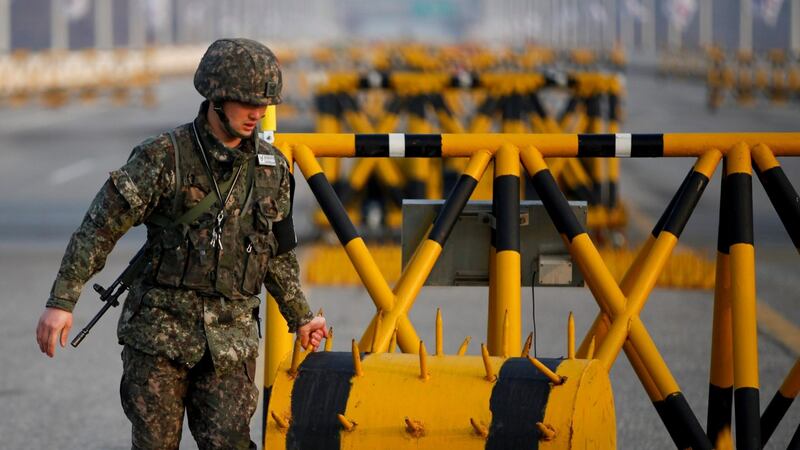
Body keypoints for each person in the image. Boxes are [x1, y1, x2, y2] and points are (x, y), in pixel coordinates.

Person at [35, 38, 327, 449]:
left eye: (264, 103)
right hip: (159, 340)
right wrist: (61, 302)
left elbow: (275, 254)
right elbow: (99, 228)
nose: (258, 113)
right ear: (217, 98)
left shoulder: (272, 169)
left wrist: (301, 316)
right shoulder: (163, 157)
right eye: (247, 103)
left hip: (231, 343)